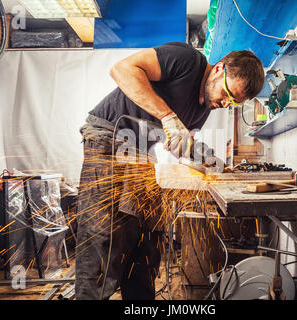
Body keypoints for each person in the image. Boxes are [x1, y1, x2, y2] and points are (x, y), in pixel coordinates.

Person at [76, 41, 265, 300]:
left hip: (140, 155)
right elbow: (121, 69)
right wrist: (167, 116)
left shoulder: (203, 108)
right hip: (108, 139)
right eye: (227, 94)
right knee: (103, 236)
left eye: (233, 102)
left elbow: (175, 142)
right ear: (219, 69)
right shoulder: (187, 60)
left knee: (146, 239)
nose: (225, 103)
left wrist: (203, 156)